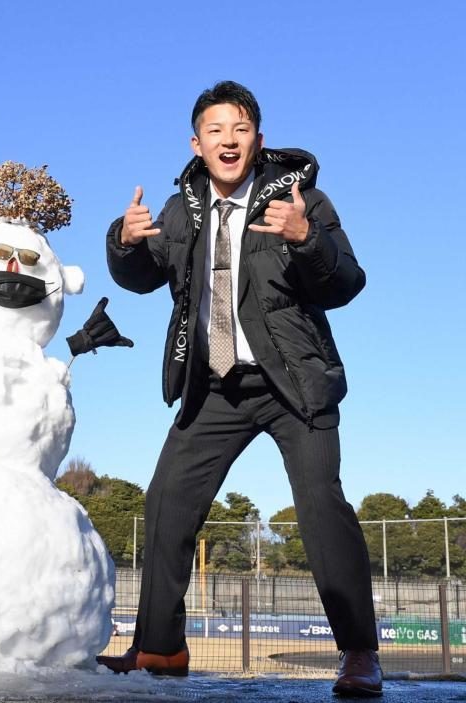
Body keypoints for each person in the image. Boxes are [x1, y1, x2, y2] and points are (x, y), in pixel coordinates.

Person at [96, 81, 381, 697]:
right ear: (196, 143)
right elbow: (143, 278)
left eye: (240, 129)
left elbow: (347, 282)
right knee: (166, 503)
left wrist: (307, 238)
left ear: (258, 137)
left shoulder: (300, 200)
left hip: (293, 383)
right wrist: (122, 242)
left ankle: (360, 652)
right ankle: (160, 649)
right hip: (215, 384)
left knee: (321, 507)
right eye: (215, 130)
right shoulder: (179, 210)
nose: (228, 140)